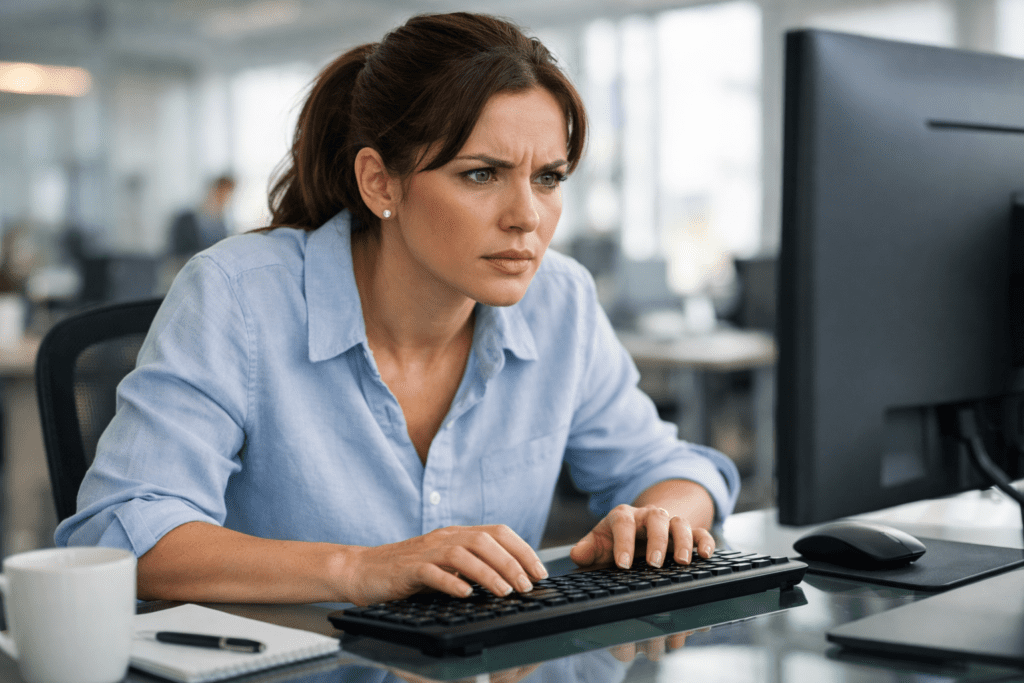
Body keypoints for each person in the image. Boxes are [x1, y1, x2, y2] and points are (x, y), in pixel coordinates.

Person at [56, 12, 740, 606]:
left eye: (548, 177)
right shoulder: (237, 295)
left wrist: (661, 516)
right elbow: (121, 531)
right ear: (380, 180)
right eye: (481, 174)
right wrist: (359, 567)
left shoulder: (560, 299)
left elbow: (673, 469)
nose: (527, 217)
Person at [167, 174, 236, 260]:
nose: (222, 201)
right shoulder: (185, 220)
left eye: (226, 197)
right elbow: (175, 256)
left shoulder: (224, 228)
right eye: (219, 195)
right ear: (210, 192)